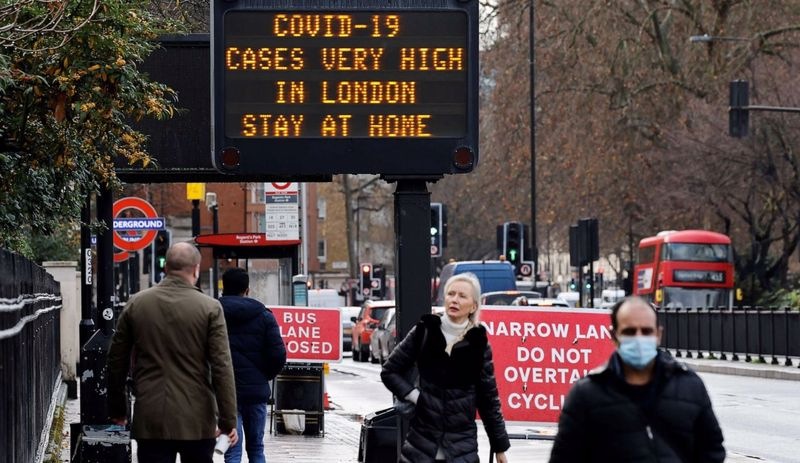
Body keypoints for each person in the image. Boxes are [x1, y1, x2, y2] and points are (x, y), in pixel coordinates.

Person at [549, 296, 725, 462]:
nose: (639, 338)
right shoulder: (587, 394)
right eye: (630, 332)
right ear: (614, 336)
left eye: (646, 331)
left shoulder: (689, 386)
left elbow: (712, 449)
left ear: (658, 334)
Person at [107, 242, 238, 463]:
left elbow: (116, 361)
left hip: (151, 415)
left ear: (165, 267)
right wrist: (227, 421)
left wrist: (118, 411)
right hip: (197, 419)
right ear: (196, 269)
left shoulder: (137, 304)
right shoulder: (210, 308)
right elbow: (221, 367)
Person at [381, 273, 510, 463]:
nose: (454, 300)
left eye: (462, 296)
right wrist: (415, 396)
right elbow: (389, 371)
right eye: (451, 294)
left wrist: (499, 447)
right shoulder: (425, 331)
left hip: (461, 449)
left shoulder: (478, 344)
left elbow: (488, 400)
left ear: (473, 306)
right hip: (420, 447)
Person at [219, 267, 287, 463]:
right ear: (247, 289)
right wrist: (263, 375)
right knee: (256, 449)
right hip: (256, 392)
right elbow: (278, 354)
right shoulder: (264, 315)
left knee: (231, 450)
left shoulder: (212, 313)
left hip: (225, 393)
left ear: (224, 288)